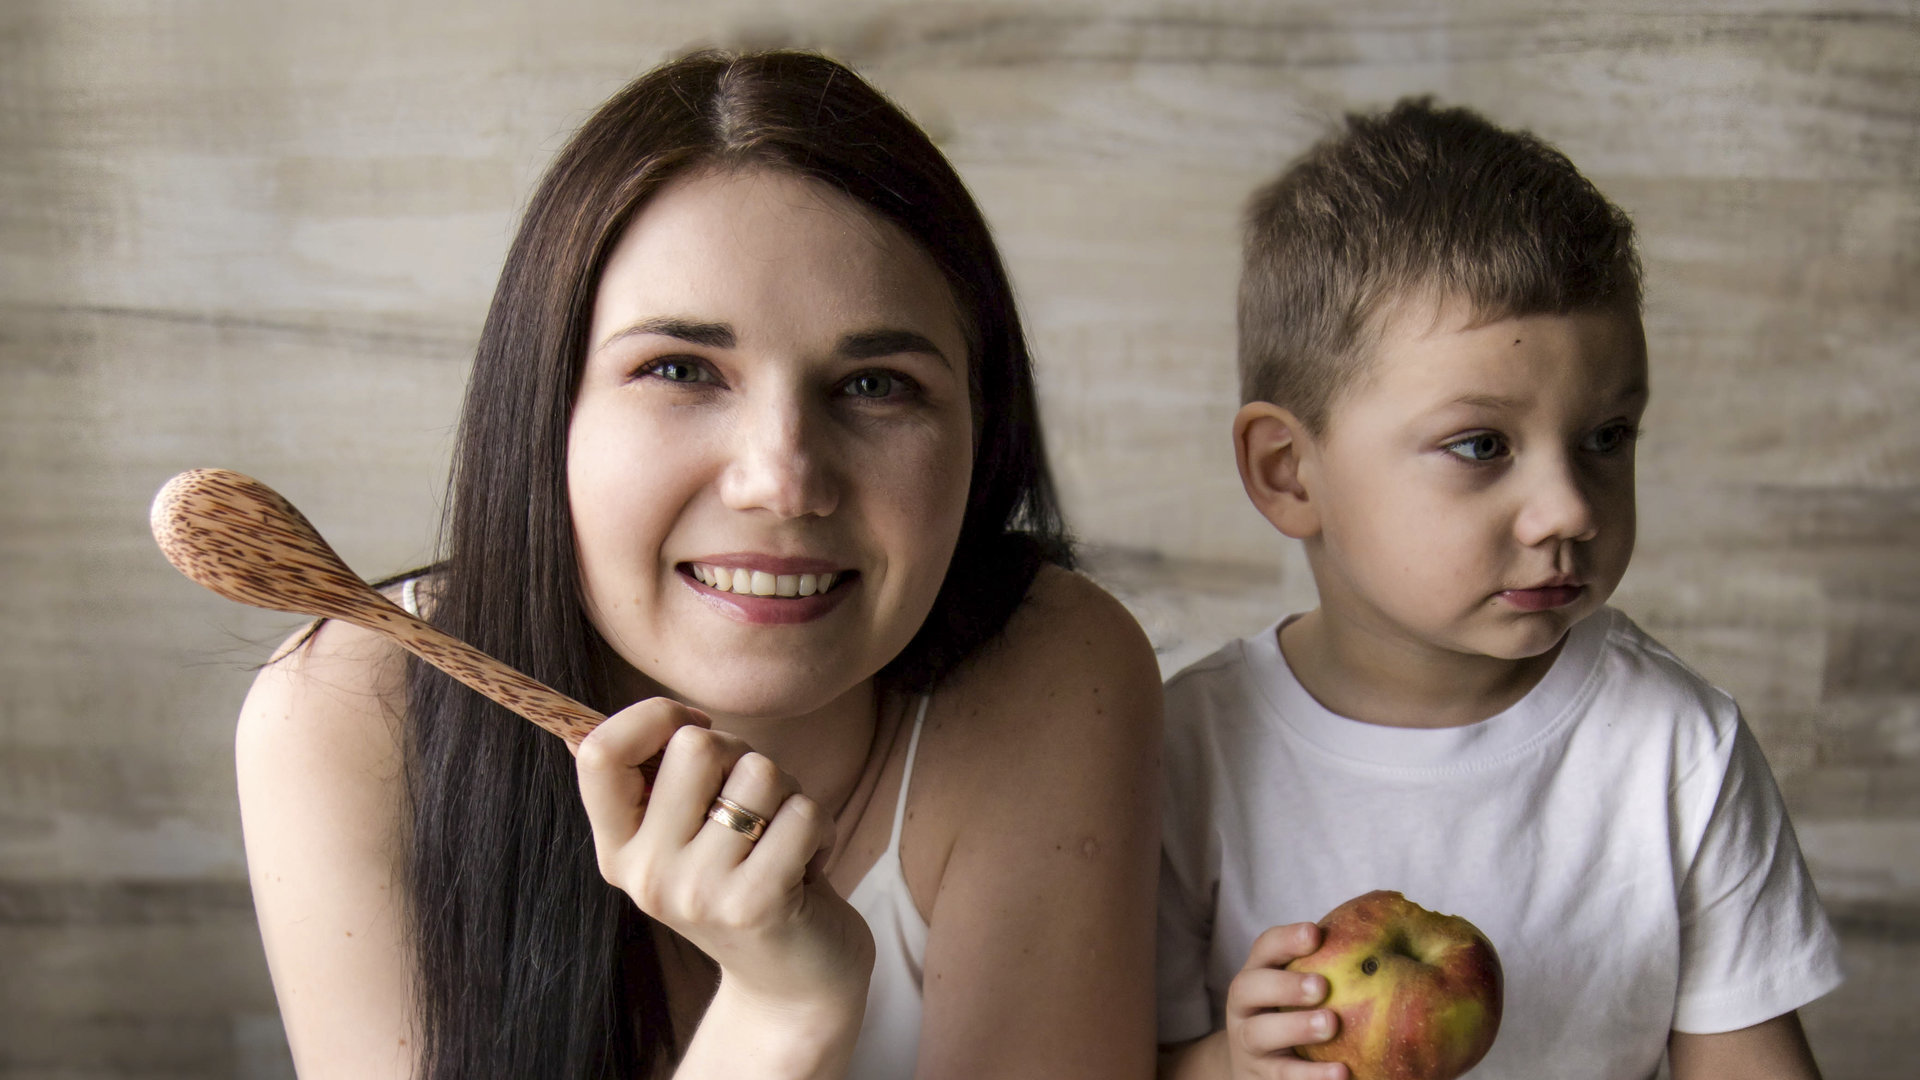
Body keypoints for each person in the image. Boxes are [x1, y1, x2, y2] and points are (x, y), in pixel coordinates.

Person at [234, 50, 1162, 1080]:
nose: (783, 478)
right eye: (679, 370)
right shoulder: (355, 714)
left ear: (981, 433)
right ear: (545, 414)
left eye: (875, 385)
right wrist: (780, 1011)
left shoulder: (1051, 668)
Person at [1155, 99, 1843, 1080]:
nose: (1569, 509)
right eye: (1480, 446)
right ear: (1288, 472)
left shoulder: (1676, 751)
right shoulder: (1185, 753)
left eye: (1607, 437)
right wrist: (1230, 1064)